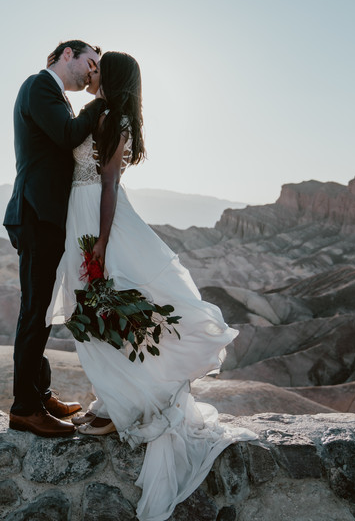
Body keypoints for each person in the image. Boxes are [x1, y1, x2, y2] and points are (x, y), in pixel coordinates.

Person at [46, 51, 256, 520]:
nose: (92, 72)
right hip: (80, 214)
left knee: (105, 304)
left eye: (98, 69)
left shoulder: (114, 119)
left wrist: (100, 242)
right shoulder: (101, 113)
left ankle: (120, 403)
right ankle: (112, 399)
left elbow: (109, 184)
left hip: (100, 219)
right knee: (96, 307)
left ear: (113, 77)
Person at [3, 39, 108, 437]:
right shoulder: (38, 85)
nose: (92, 72)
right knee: (34, 311)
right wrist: (101, 101)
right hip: (36, 215)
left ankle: (39, 392)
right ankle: (24, 408)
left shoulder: (55, 95)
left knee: (41, 308)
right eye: (90, 62)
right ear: (68, 54)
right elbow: (66, 136)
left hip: (49, 217)